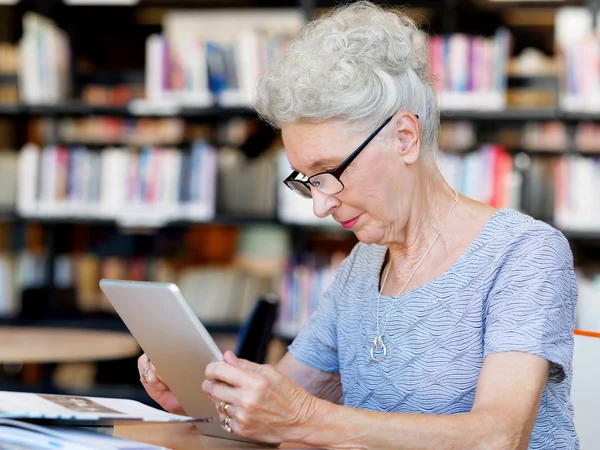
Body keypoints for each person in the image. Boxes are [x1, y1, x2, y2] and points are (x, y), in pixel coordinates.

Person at [138, 2, 578, 448]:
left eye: (330, 171)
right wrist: (213, 404)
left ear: (404, 138)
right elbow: (281, 407)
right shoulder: (363, 265)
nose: (320, 205)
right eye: (307, 181)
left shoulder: (525, 252)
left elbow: (498, 437)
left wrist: (306, 419)